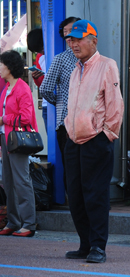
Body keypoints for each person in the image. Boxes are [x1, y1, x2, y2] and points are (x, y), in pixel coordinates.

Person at [62, 20, 123, 263]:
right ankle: (85, 244)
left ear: (93, 41)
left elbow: (115, 106)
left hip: (96, 140)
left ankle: (98, 246)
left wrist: (107, 135)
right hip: (73, 140)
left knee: (95, 195)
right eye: (71, 40)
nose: (74, 44)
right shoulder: (76, 69)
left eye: (79, 39)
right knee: (75, 195)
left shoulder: (107, 65)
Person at [0, 50, 37, 238]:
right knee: (9, 182)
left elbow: (26, 118)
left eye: (1, 64)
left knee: (21, 182)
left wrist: (4, 119)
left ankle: (28, 223)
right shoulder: (7, 88)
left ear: (9, 67)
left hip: (16, 140)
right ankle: (14, 222)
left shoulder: (22, 88)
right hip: (6, 139)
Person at [39, 16, 81, 185]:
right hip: (66, 122)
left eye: (73, 31)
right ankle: (73, 202)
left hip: (91, 123)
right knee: (70, 165)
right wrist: (60, 102)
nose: (70, 36)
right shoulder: (60, 59)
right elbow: (45, 88)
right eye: (66, 32)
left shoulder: (94, 60)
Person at [27, 28, 47, 130]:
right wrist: (36, 78)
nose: (41, 52)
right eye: (38, 51)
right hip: (46, 103)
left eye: (41, 48)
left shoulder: (55, 54)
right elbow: (41, 84)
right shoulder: (40, 57)